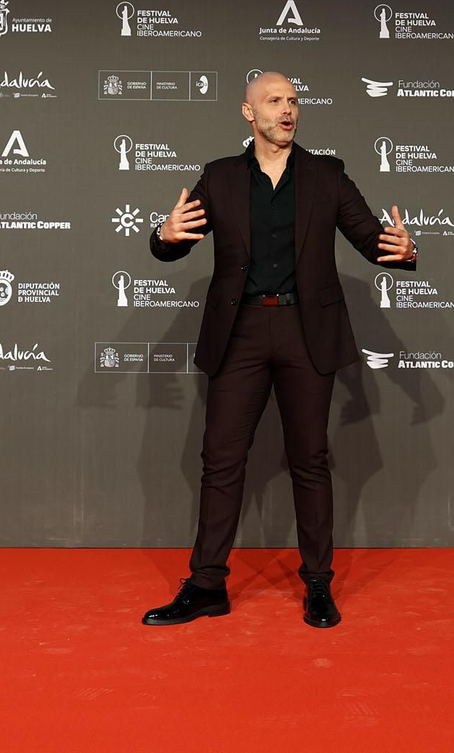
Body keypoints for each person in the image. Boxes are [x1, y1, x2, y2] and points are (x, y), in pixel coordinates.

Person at [141, 71, 417, 628]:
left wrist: (403, 250)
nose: (286, 110)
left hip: (304, 331)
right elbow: (173, 241)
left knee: (309, 461)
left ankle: (318, 585)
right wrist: (162, 235)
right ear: (249, 114)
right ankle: (206, 585)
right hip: (239, 331)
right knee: (220, 460)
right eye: (273, 101)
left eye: (293, 101)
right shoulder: (219, 178)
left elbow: (372, 241)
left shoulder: (327, 174)